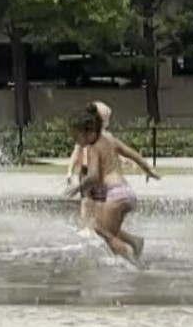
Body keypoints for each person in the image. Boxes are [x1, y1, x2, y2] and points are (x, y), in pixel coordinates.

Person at [66, 104, 160, 267]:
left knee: (105, 234)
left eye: (77, 137)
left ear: (88, 133)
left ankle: (134, 264)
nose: (77, 141)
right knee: (104, 227)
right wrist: (148, 171)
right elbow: (134, 155)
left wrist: (77, 188)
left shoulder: (93, 147)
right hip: (127, 192)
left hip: (114, 195)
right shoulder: (110, 140)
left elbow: (94, 175)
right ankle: (135, 242)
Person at [65, 100, 115, 235]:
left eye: (106, 121)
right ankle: (87, 226)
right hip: (87, 171)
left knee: (99, 201)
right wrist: (70, 171)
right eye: (105, 120)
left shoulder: (106, 137)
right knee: (86, 201)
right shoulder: (85, 135)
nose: (106, 124)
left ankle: (97, 226)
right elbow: (76, 153)